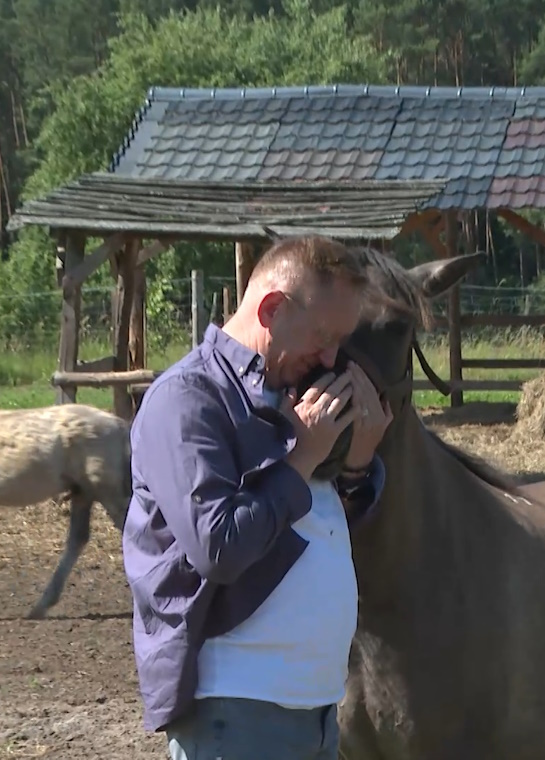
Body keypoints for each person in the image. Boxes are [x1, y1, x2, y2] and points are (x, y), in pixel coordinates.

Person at [122, 235, 394, 760]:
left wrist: (359, 459)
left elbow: (313, 529)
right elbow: (219, 547)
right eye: (322, 335)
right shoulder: (187, 400)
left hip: (314, 706)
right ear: (271, 309)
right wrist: (303, 458)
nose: (333, 356)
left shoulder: (294, 387)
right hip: (236, 706)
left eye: (341, 339)